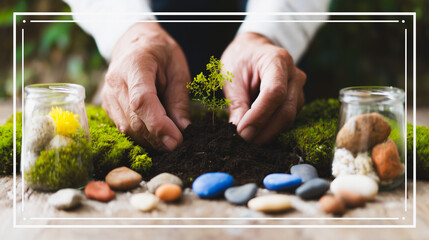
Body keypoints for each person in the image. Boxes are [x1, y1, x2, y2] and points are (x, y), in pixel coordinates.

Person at [64, 0, 330, 151]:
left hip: (262, 68)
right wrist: (128, 31)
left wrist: (268, 32)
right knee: (140, 106)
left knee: (276, 109)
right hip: (147, 50)